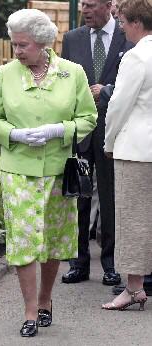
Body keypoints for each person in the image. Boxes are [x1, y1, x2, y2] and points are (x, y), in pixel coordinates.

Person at [0, 9, 97, 337]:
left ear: (43, 43)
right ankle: (30, 311)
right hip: (17, 169)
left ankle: (46, 300)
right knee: (23, 239)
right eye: (14, 44)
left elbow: (88, 118)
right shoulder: (6, 74)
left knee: (50, 240)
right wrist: (14, 135)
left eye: (23, 45)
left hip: (59, 169)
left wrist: (57, 130)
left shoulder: (72, 73)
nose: (17, 51)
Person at [60, 0, 133, 286]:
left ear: (107, 5)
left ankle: (111, 264)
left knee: (111, 198)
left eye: (91, 5)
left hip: (113, 133)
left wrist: (108, 92)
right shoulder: (72, 39)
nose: (86, 11)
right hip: (80, 134)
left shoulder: (127, 38)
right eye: (83, 6)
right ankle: (78, 263)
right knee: (78, 197)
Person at [102, 0, 152, 311]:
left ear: (136, 22)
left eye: (121, 21)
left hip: (136, 150)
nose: (120, 27)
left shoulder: (136, 57)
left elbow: (118, 106)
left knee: (133, 220)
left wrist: (108, 142)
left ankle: (134, 289)